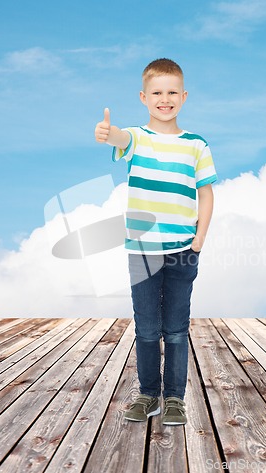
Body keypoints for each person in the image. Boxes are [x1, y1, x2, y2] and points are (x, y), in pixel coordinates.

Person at [95, 58, 216, 425]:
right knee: (147, 328)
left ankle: (175, 398)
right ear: (144, 97)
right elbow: (120, 138)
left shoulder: (196, 145)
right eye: (158, 93)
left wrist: (199, 239)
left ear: (184, 96)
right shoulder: (138, 138)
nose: (165, 99)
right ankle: (149, 395)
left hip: (183, 249)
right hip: (143, 251)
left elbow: (206, 193)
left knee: (177, 329)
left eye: (172, 92)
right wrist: (108, 131)